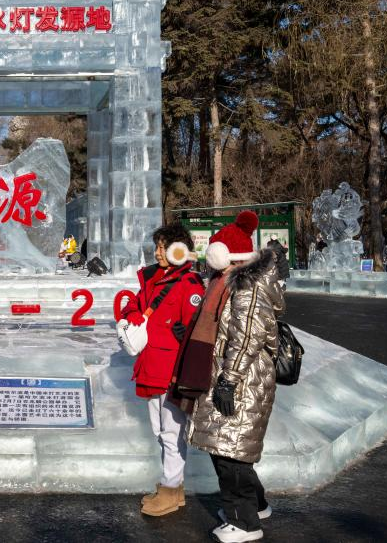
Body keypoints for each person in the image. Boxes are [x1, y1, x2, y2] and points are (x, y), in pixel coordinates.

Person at [183, 211, 284, 542]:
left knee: (230, 453)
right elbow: (224, 328)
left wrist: (228, 381)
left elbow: (247, 337)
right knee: (230, 447)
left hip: (242, 380)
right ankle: (257, 505)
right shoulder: (226, 283)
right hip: (234, 375)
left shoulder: (247, 287)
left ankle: (245, 524)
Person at [116, 222, 204, 517]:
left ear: (179, 250)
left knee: (172, 431)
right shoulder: (154, 279)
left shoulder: (189, 284)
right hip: (153, 365)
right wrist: (131, 317)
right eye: (157, 247)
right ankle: (173, 488)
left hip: (172, 370)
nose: (157, 253)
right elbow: (134, 304)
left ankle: (170, 488)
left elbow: (201, 328)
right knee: (160, 430)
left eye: (163, 247)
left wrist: (187, 332)